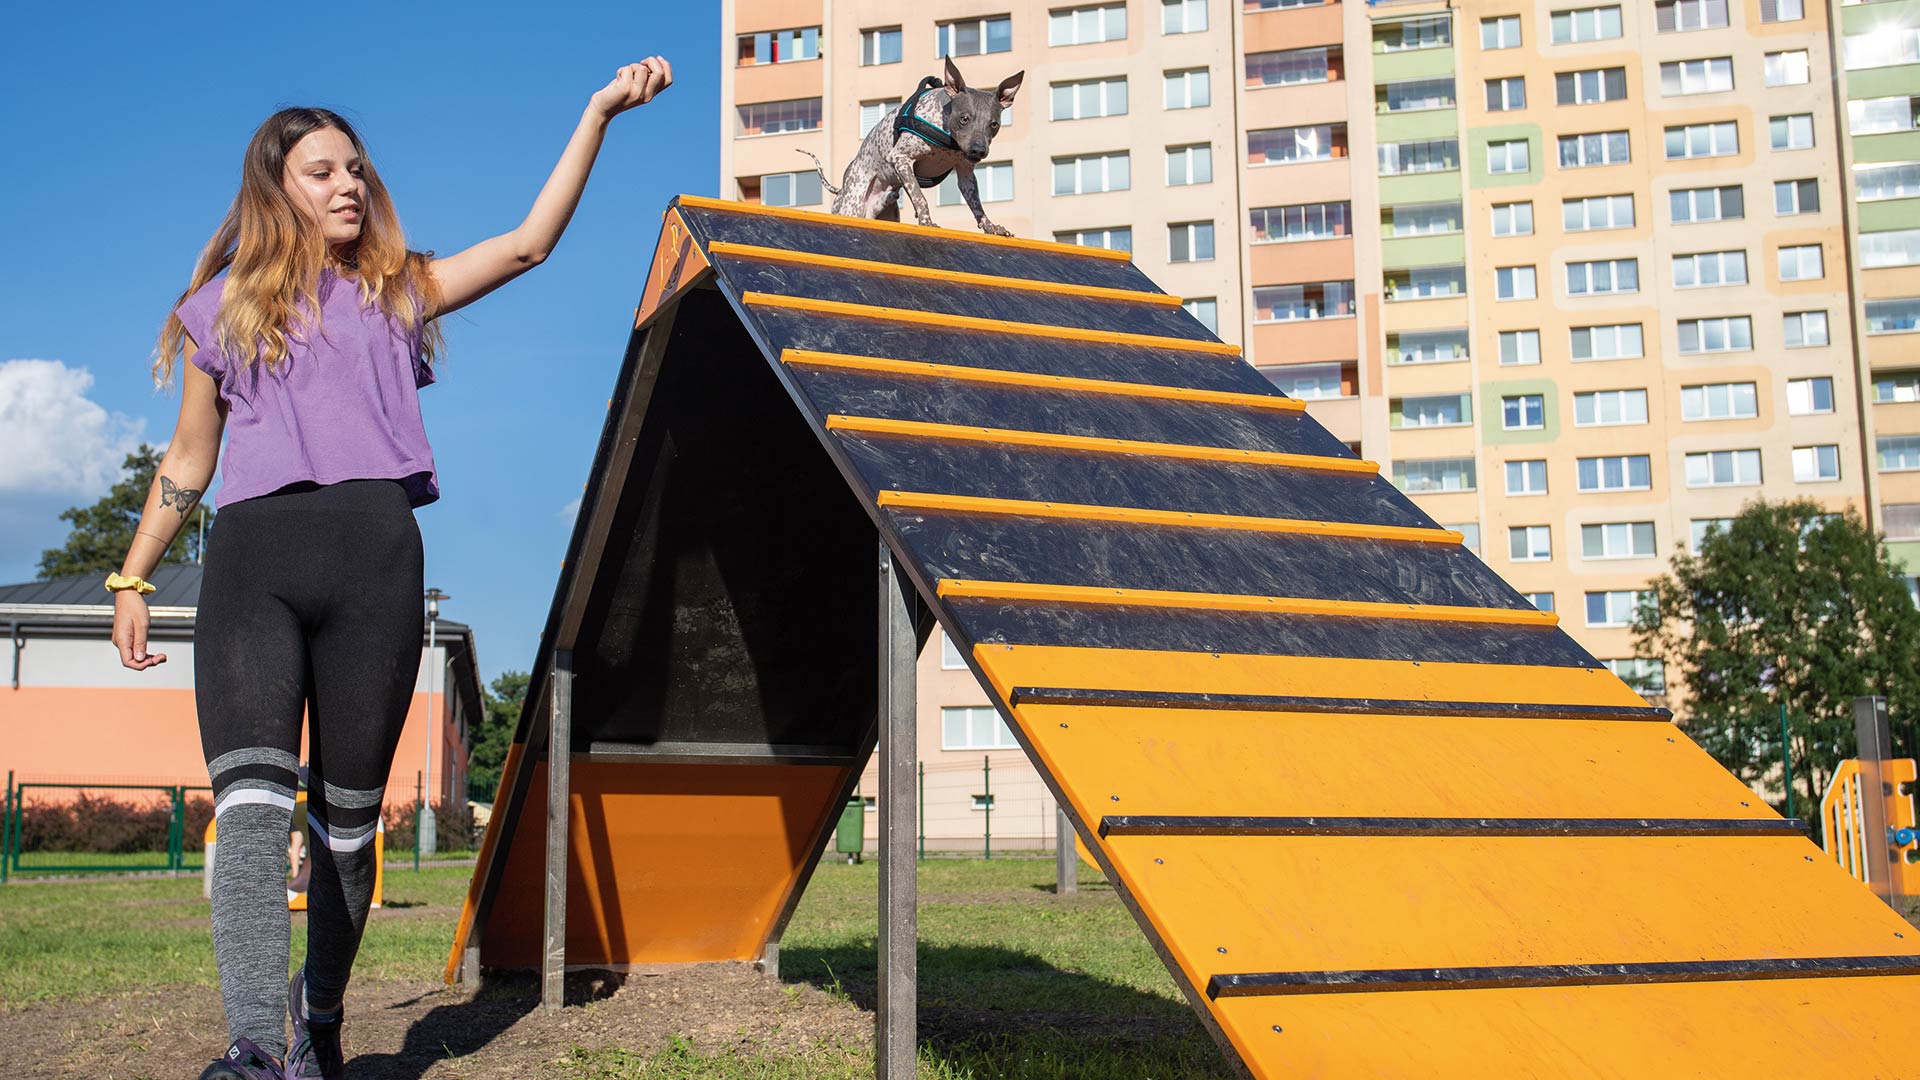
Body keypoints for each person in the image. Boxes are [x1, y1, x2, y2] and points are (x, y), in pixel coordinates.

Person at [108, 57, 673, 1080]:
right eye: (322, 171)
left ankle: (317, 1015)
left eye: (357, 169)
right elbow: (189, 460)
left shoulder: (397, 291)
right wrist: (133, 579)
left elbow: (530, 244)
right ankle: (249, 1048)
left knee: (349, 835)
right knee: (246, 808)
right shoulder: (220, 308)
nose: (348, 185)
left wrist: (595, 114)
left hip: (376, 566)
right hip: (252, 566)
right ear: (276, 188)